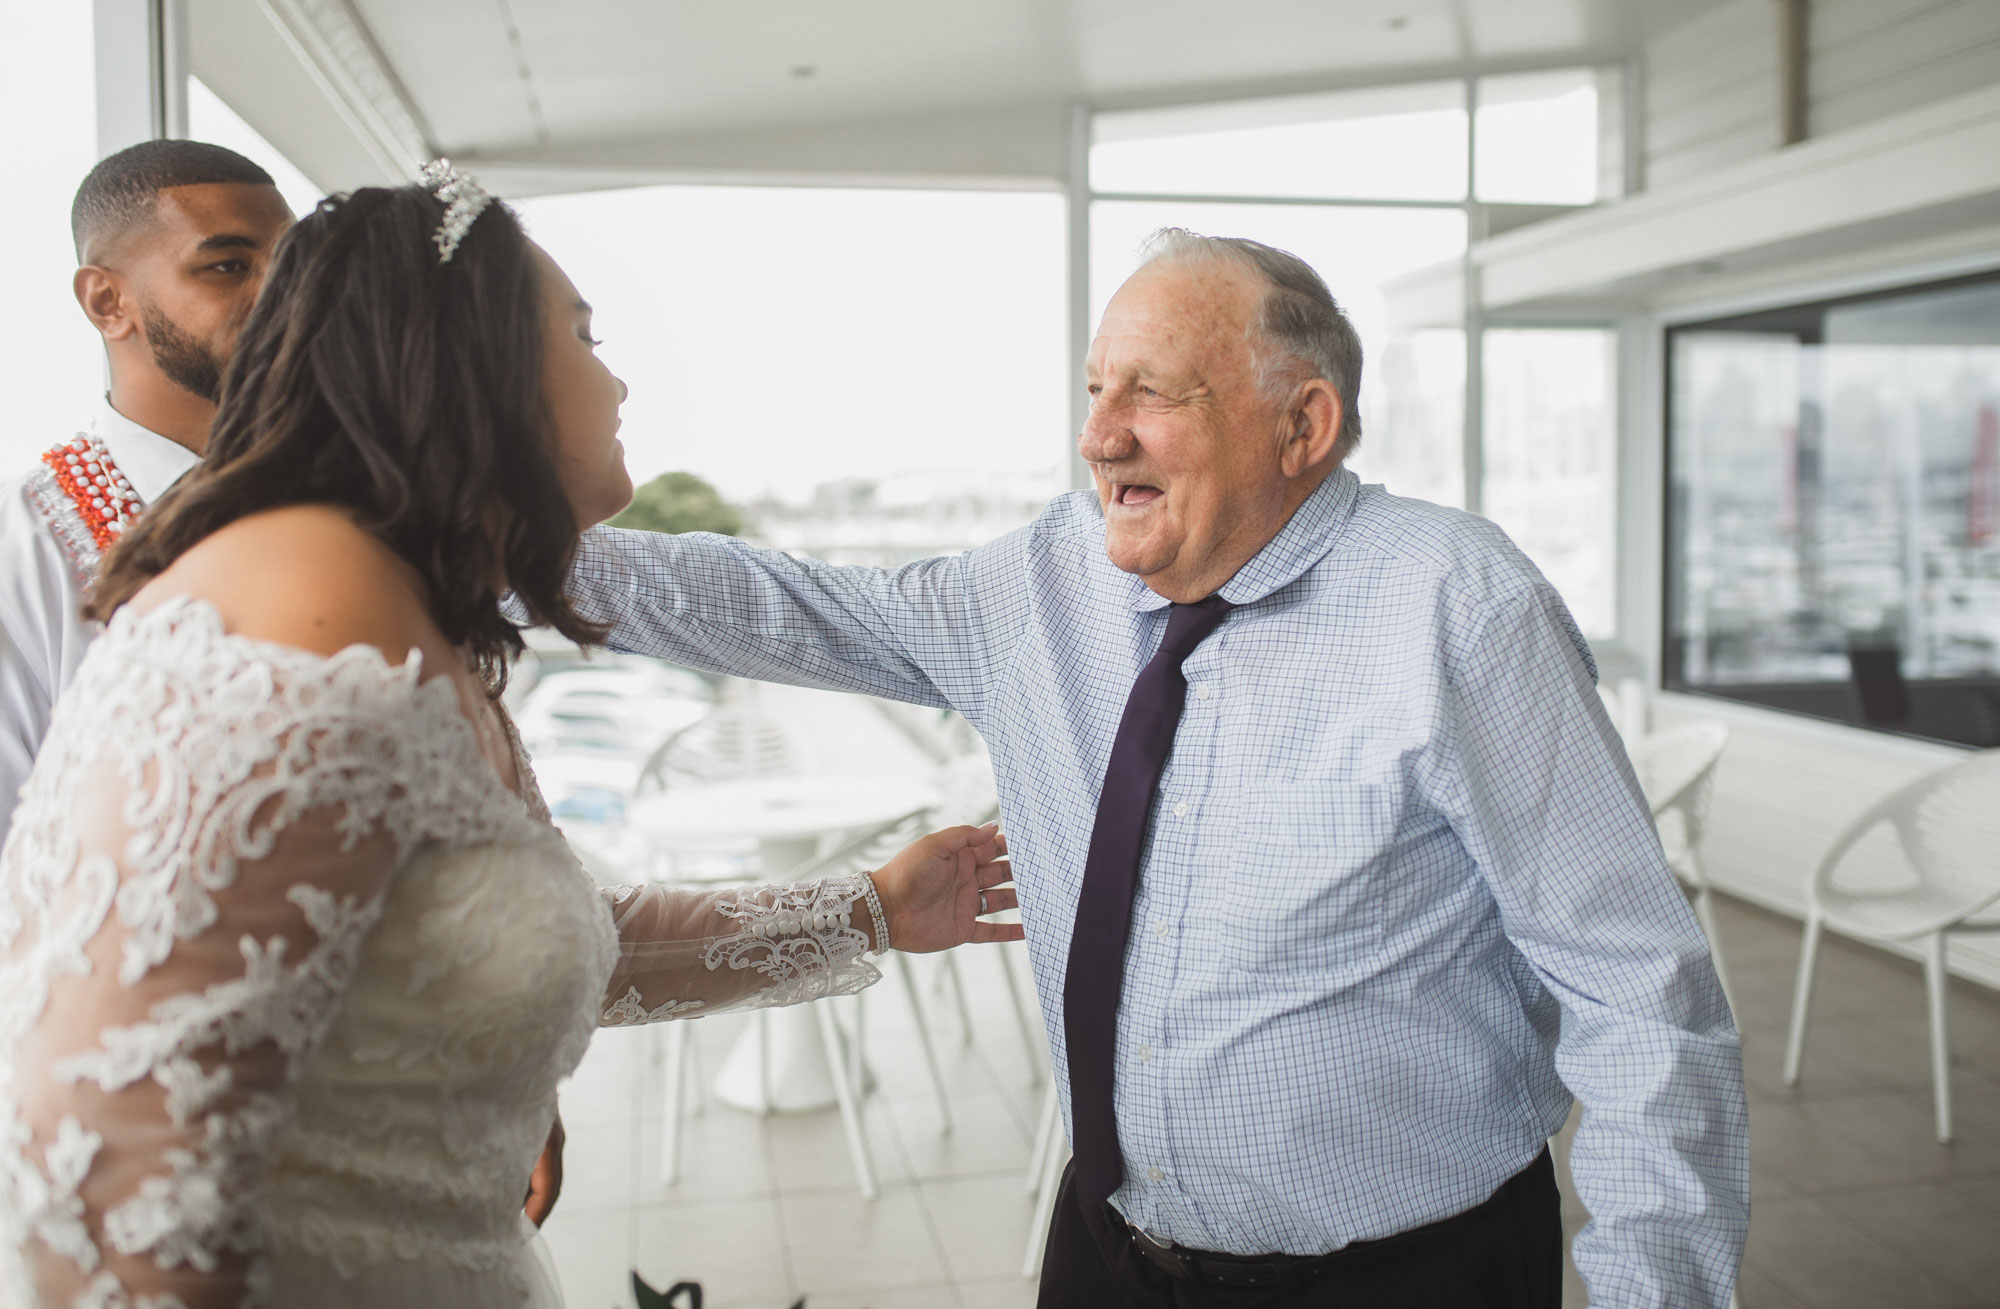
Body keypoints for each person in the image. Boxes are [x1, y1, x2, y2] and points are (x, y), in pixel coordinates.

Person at [552, 229, 1751, 1307]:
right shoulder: (1042, 583)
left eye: (1151, 393)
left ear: (1303, 425)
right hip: (1109, 1252)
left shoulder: (1458, 609)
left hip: (1408, 1274)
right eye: (1091, 389)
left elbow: (1639, 993)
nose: (1098, 434)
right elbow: (782, 605)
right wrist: (488, 551)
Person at [0, 168, 1020, 1309]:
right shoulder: (300, 644)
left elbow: (561, 937)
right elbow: (101, 1172)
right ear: (469, 370)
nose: (620, 380)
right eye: (583, 333)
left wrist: (871, 907)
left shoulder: (401, 616)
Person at [0, 140, 293, 832]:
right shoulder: (23, 543)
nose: (282, 297)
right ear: (107, 301)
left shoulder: (362, 495)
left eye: (292, 265)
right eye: (229, 266)